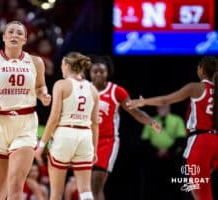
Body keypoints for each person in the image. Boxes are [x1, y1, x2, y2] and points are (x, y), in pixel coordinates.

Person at [0, 20, 51, 200]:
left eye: (19, 33)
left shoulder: (36, 62)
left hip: (25, 123)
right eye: (10, 32)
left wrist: (43, 94)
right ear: (4, 37)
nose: (15, 35)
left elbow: (40, 86)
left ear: (25, 39)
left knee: (15, 184)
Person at [126, 56, 218, 200]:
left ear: (200, 70)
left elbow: (165, 100)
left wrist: (143, 102)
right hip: (215, 142)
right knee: (197, 187)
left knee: (203, 194)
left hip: (201, 143)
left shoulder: (196, 87)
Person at [89, 55, 161, 200]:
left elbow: (134, 111)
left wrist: (151, 122)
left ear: (107, 73)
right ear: (89, 73)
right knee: (84, 188)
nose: (98, 74)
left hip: (107, 142)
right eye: (95, 71)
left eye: (101, 71)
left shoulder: (116, 91)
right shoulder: (84, 88)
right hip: (87, 141)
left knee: (95, 185)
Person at [36, 52, 99, 200]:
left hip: (65, 134)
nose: (61, 69)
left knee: (56, 192)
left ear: (67, 65)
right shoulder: (93, 89)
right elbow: (95, 123)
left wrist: (42, 144)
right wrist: (94, 150)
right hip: (85, 136)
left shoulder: (61, 84)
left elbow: (54, 117)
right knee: (86, 190)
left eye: (62, 66)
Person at [140, 104, 187, 200]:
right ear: (157, 109)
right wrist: (157, 151)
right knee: (154, 186)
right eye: (160, 107)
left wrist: (168, 151)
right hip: (155, 159)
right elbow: (144, 141)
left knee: (175, 186)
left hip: (173, 159)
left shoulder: (177, 120)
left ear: (169, 108)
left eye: (164, 107)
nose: (162, 109)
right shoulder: (151, 121)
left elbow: (181, 140)